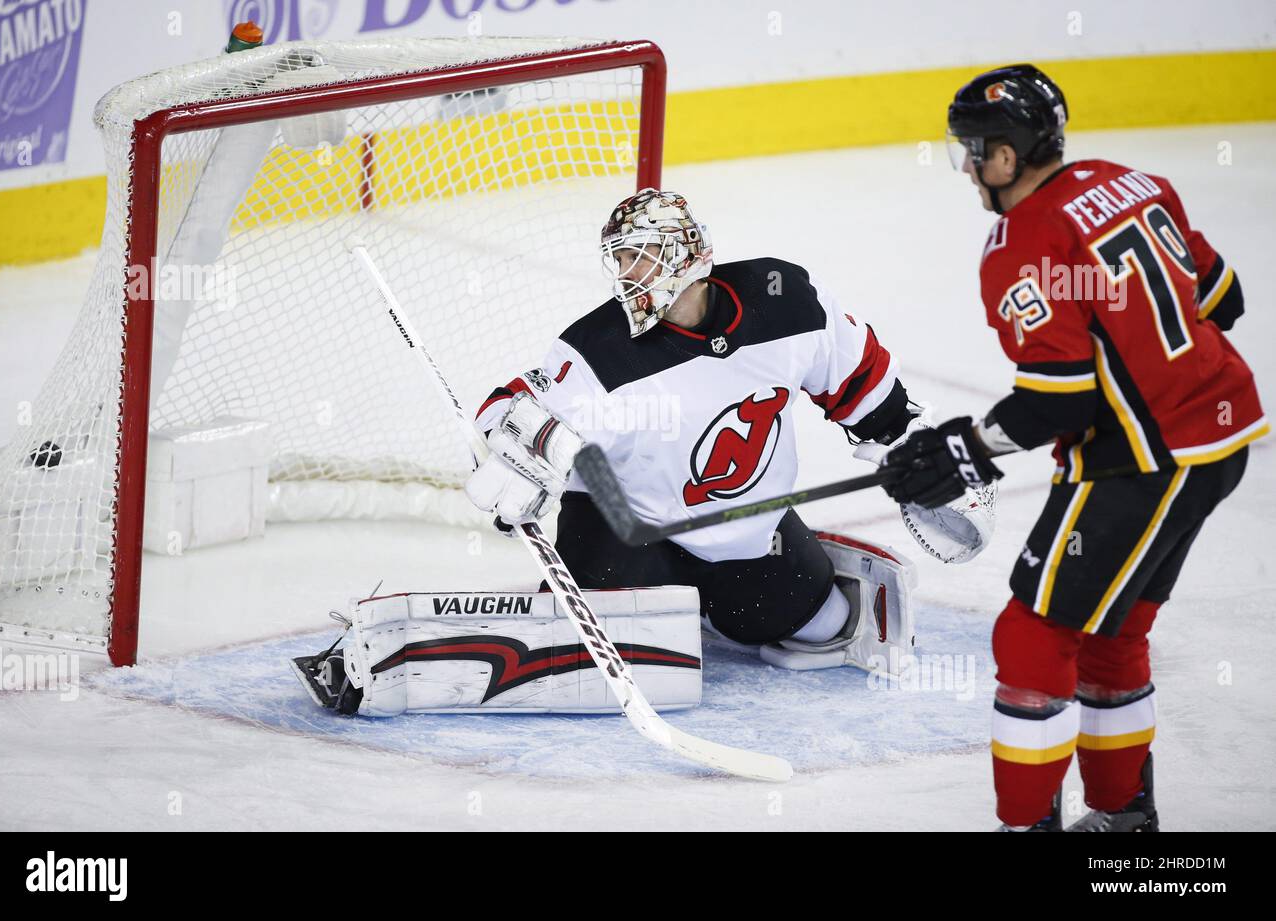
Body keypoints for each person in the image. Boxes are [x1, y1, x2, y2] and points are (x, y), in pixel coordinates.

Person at [880, 64, 1267, 830]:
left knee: (1031, 635)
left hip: (1144, 457)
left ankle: (1027, 825)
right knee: (1113, 631)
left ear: (1010, 154)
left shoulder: (1022, 243)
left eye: (975, 149)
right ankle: (1126, 820)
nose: (966, 166)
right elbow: (1226, 297)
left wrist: (963, 447)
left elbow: (1062, 401)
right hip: (1222, 432)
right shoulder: (1135, 182)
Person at [465, 188, 992, 672]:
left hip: (744, 532)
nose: (627, 272)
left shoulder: (785, 301)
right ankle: (626, 598)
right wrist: (523, 446)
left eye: (639, 255)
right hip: (627, 527)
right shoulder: (599, 349)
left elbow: (858, 376)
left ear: (686, 254)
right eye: (620, 258)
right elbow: (508, 406)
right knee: (602, 649)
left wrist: (906, 439)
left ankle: (708, 605)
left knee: (819, 624)